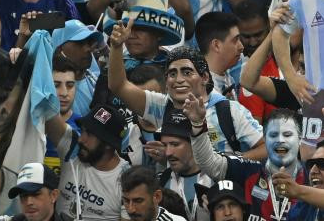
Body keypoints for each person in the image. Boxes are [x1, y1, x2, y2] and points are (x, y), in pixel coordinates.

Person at [109, 31, 264, 159]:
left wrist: (229, 164)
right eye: (172, 73)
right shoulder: (162, 106)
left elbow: (265, 148)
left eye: (187, 72)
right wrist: (116, 47)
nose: (179, 80)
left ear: (204, 77)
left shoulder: (229, 111)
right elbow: (119, 85)